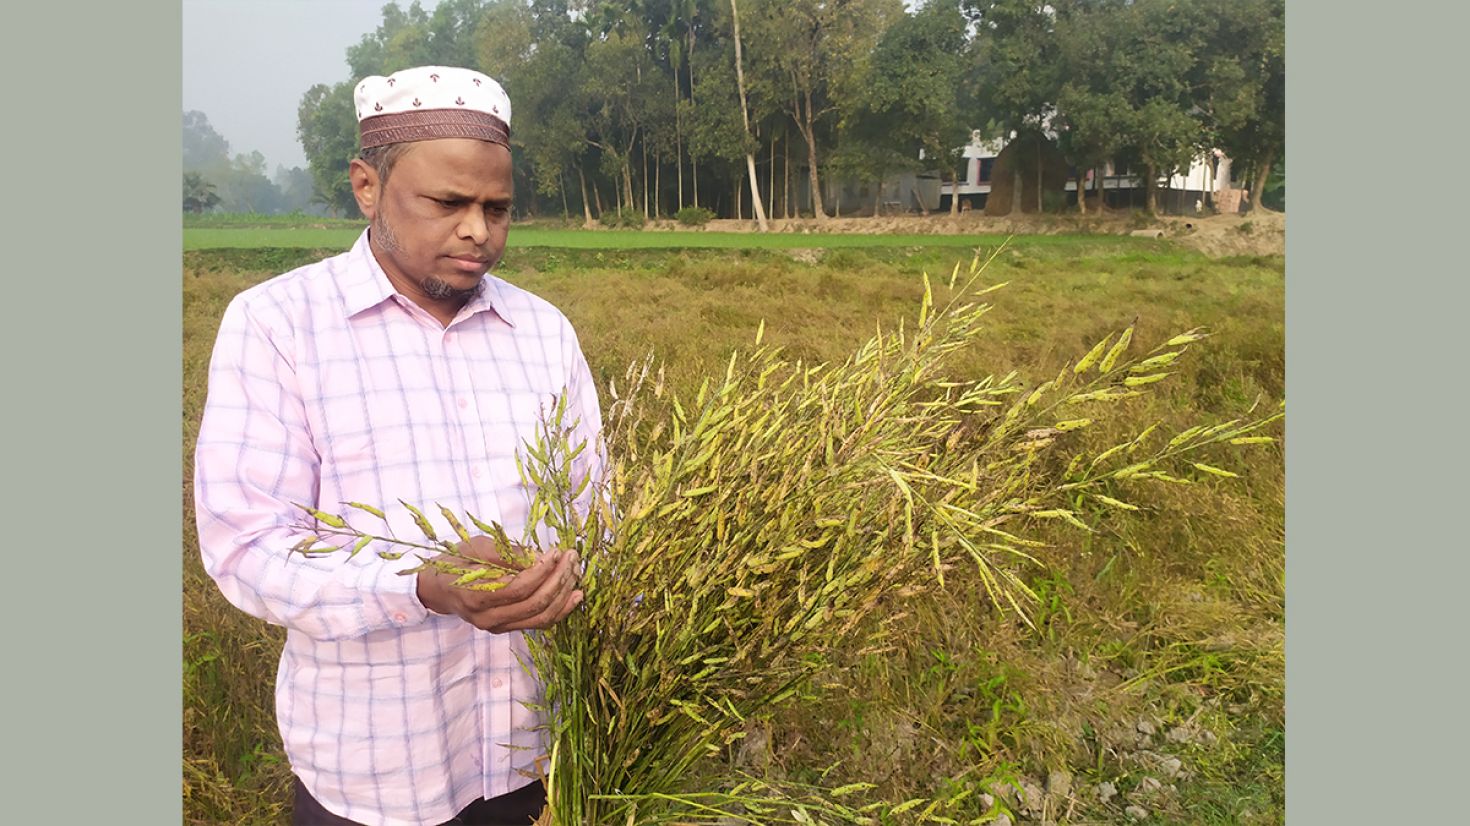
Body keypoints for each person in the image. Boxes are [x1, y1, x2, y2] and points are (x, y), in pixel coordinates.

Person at [193, 65, 604, 826]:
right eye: (448, 203)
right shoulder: (279, 326)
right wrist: (422, 582)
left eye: (498, 207)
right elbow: (247, 545)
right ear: (367, 187)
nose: (478, 230)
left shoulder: (544, 333)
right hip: (373, 773)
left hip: (535, 756)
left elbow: (593, 518)